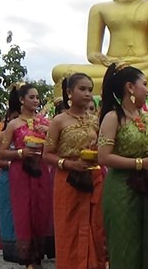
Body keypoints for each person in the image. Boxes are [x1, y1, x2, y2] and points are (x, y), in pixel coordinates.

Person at [97, 63, 148, 269]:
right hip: (121, 189)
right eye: (144, 84)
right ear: (130, 87)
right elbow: (103, 157)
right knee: (125, 245)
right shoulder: (113, 117)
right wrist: (140, 163)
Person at [44, 73, 106, 269]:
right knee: (69, 228)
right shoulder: (59, 121)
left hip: (93, 177)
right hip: (68, 179)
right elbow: (46, 154)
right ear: (70, 92)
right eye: (82, 89)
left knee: (95, 226)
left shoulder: (95, 121)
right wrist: (68, 164)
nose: (88, 94)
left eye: (90, 89)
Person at [0, 83, 55, 269]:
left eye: (38, 98)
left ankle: (39, 255)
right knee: (24, 211)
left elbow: (57, 146)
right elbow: (2, 152)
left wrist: (48, 136)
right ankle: (28, 259)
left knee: (42, 210)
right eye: (32, 97)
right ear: (22, 100)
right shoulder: (14, 125)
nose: (36, 101)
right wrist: (21, 154)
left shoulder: (46, 123)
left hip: (41, 170)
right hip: (20, 172)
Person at [0, 106, 21, 263]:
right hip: (7, 176)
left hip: (24, 177)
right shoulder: (1, 136)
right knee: (7, 211)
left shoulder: (26, 136)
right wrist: (12, 165)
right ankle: (10, 248)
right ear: (8, 118)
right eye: (14, 117)